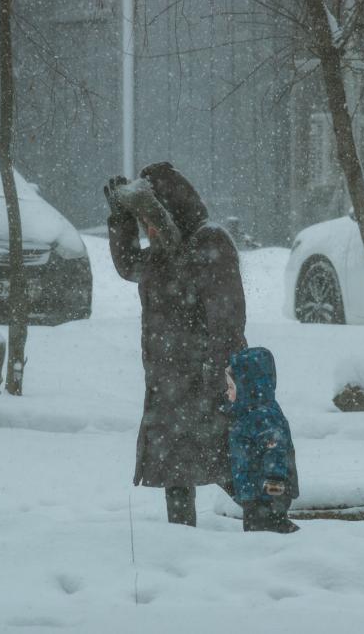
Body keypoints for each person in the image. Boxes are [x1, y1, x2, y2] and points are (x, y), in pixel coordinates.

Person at [104, 162, 247, 526]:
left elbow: (227, 319)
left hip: (205, 379)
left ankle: (268, 524)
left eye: (151, 220)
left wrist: (219, 372)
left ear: (171, 212)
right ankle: (182, 540)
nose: (148, 230)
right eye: (143, 223)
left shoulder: (209, 244)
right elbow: (129, 266)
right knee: (177, 469)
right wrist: (120, 219)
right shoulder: (163, 253)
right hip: (169, 382)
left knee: (228, 462)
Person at [224, 347, 300, 533]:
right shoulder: (247, 413)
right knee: (256, 534)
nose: (227, 392)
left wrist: (273, 491)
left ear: (248, 388)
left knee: (266, 535)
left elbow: (275, 452)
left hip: (267, 498)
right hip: (254, 494)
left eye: (231, 387)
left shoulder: (263, 417)